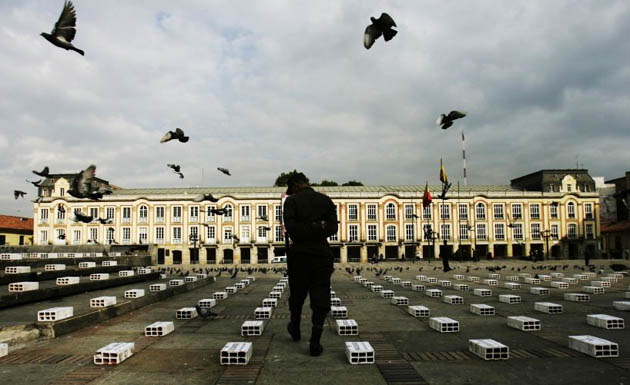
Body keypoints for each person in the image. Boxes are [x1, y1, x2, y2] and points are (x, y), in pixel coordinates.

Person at [283, 172, 338, 357]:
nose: (291, 193)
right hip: (322, 255)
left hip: (299, 255)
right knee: (320, 295)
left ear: (296, 185)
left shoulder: (291, 202)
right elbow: (331, 228)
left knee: (297, 295)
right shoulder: (326, 201)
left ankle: (295, 327)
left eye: (291, 189)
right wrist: (317, 226)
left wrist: (306, 228)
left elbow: (293, 230)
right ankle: (315, 340)